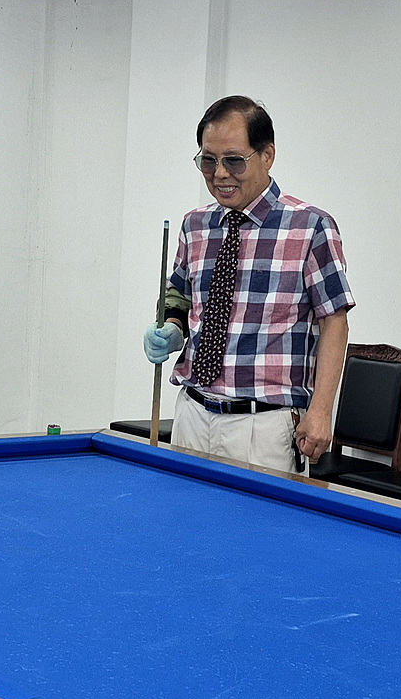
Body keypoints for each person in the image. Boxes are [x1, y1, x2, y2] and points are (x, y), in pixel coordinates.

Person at [143, 96, 355, 472]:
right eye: (208, 160)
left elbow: (334, 323)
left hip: (264, 427)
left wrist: (321, 411)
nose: (220, 173)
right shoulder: (195, 225)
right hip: (192, 413)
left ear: (267, 155)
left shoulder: (310, 227)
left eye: (234, 161)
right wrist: (171, 328)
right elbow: (178, 296)